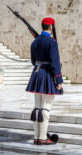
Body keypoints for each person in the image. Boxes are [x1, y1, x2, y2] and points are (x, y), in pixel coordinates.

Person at [26, 17, 63, 145]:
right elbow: (55, 63)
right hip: (47, 74)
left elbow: (33, 61)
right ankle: (42, 138)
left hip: (36, 73)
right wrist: (59, 80)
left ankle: (37, 137)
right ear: (51, 27)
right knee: (46, 108)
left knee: (37, 107)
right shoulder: (52, 42)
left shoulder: (35, 42)